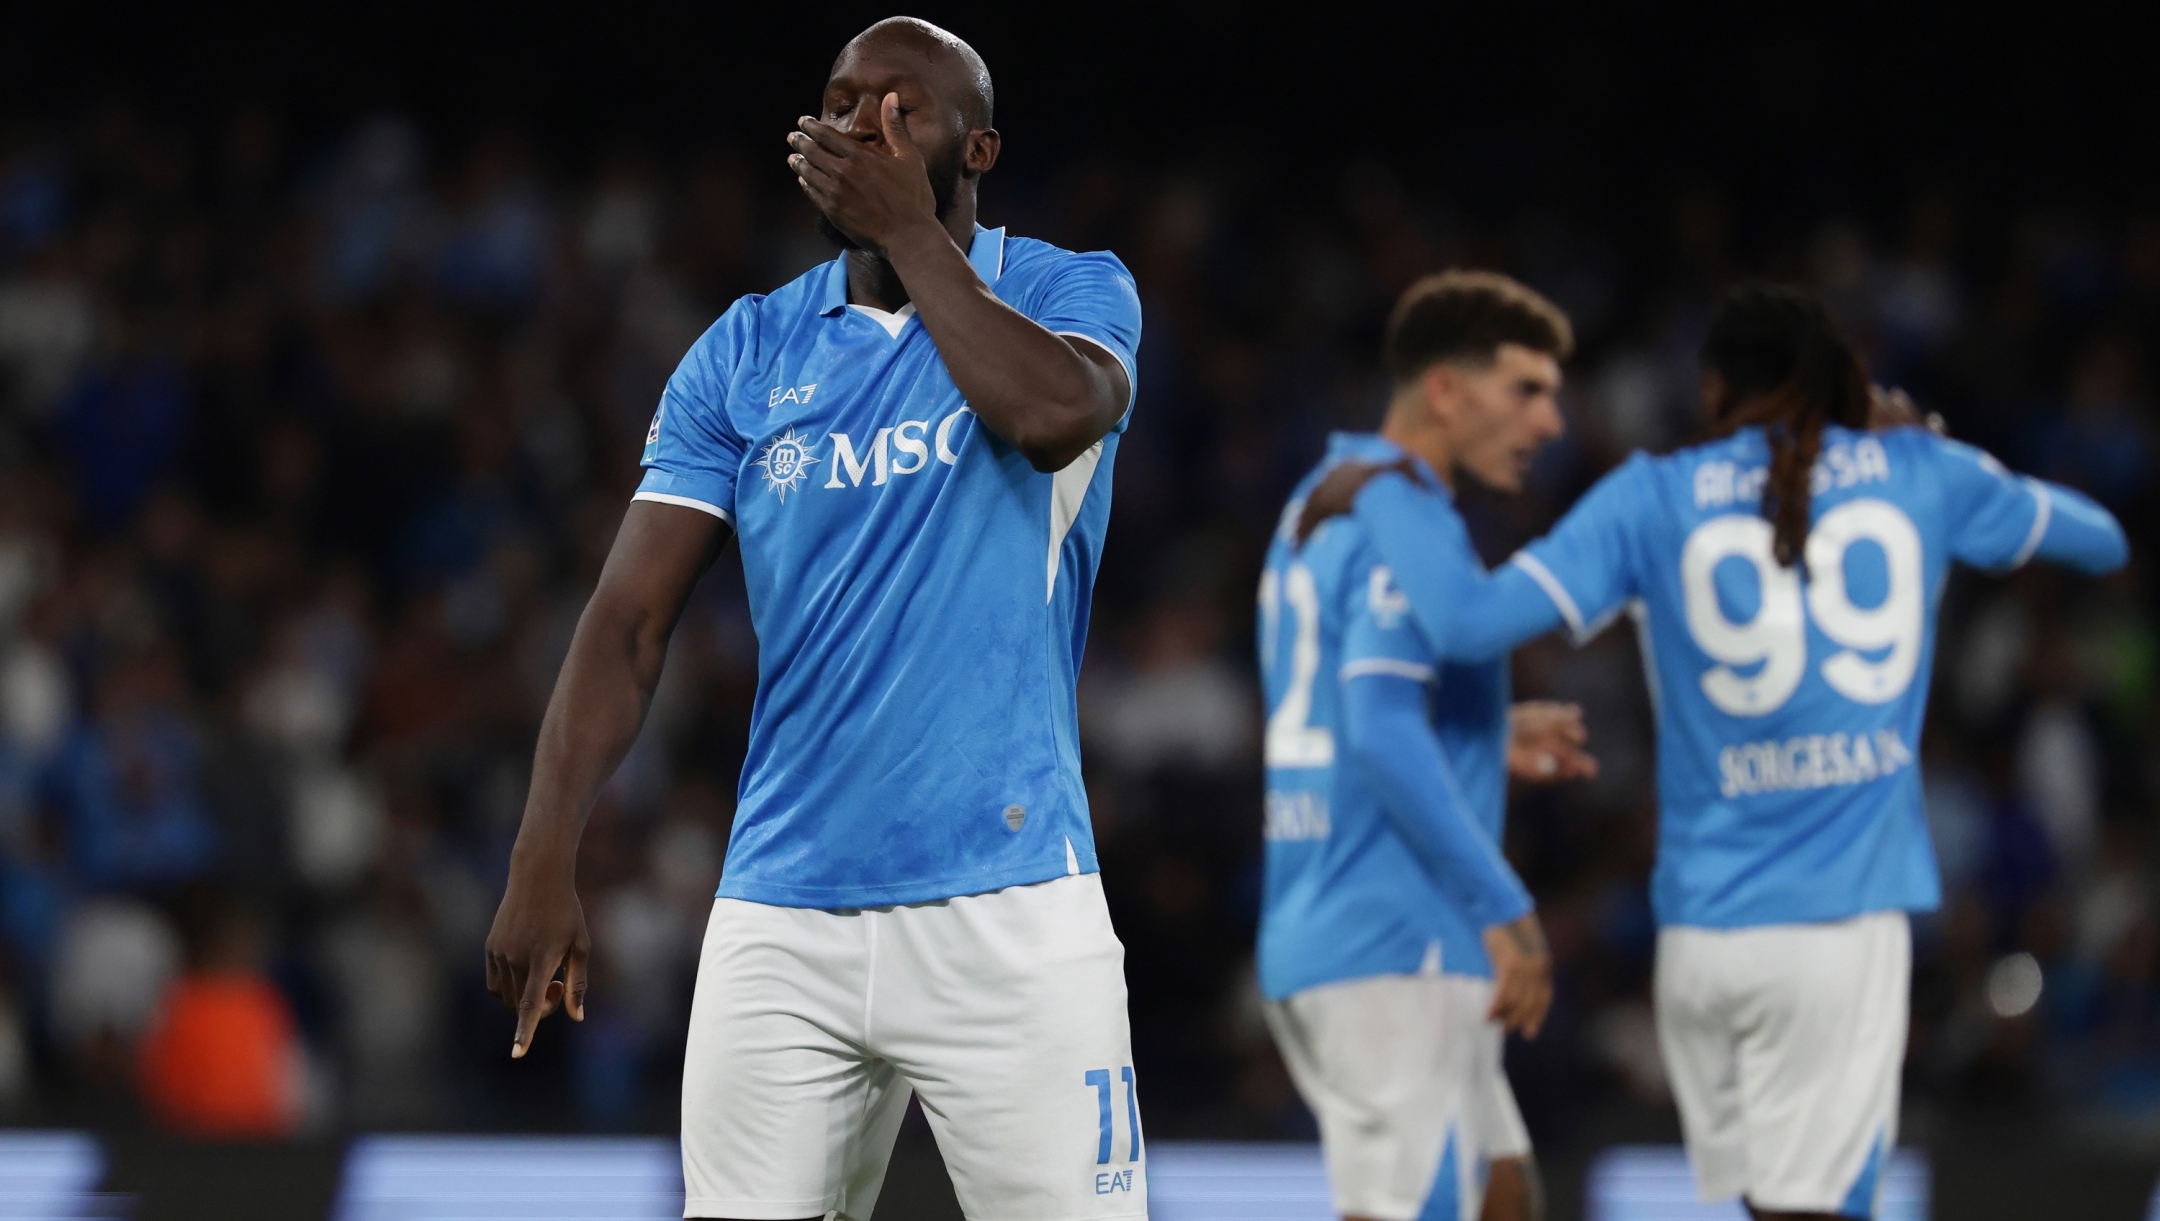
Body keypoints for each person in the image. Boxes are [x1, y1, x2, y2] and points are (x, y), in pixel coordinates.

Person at [483, 18, 1145, 1221]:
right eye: (840, 104)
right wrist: (544, 851)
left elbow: (1056, 413)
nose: (859, 129)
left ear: (978, 148)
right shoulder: (744, 350)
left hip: (1009, 903)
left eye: (901, 111)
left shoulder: (1067, 287)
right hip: (781, 914)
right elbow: (627, 622)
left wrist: (908, 232)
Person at [1307, 284, 2129, 1220]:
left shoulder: (1650, 496)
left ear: (1711, 390)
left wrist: (1384, 492)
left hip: (1701, 942)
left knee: (1770, 1203)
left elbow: (1466, 620)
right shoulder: (1921, 475)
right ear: (1843, 386)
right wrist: (1933, 449)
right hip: (1838, 930)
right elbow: (2100, 541)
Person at [1257, 271, 1596, 1221]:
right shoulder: (1405, 514)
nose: (1550, 421)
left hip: (1334, 914)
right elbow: (1379, 723)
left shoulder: (1324, 496)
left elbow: (1340, 696)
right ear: (1446, 388)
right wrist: (1507, 908)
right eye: (1526, 390)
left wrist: (1486, 731)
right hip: (1392, 936)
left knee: (1501, 1191)